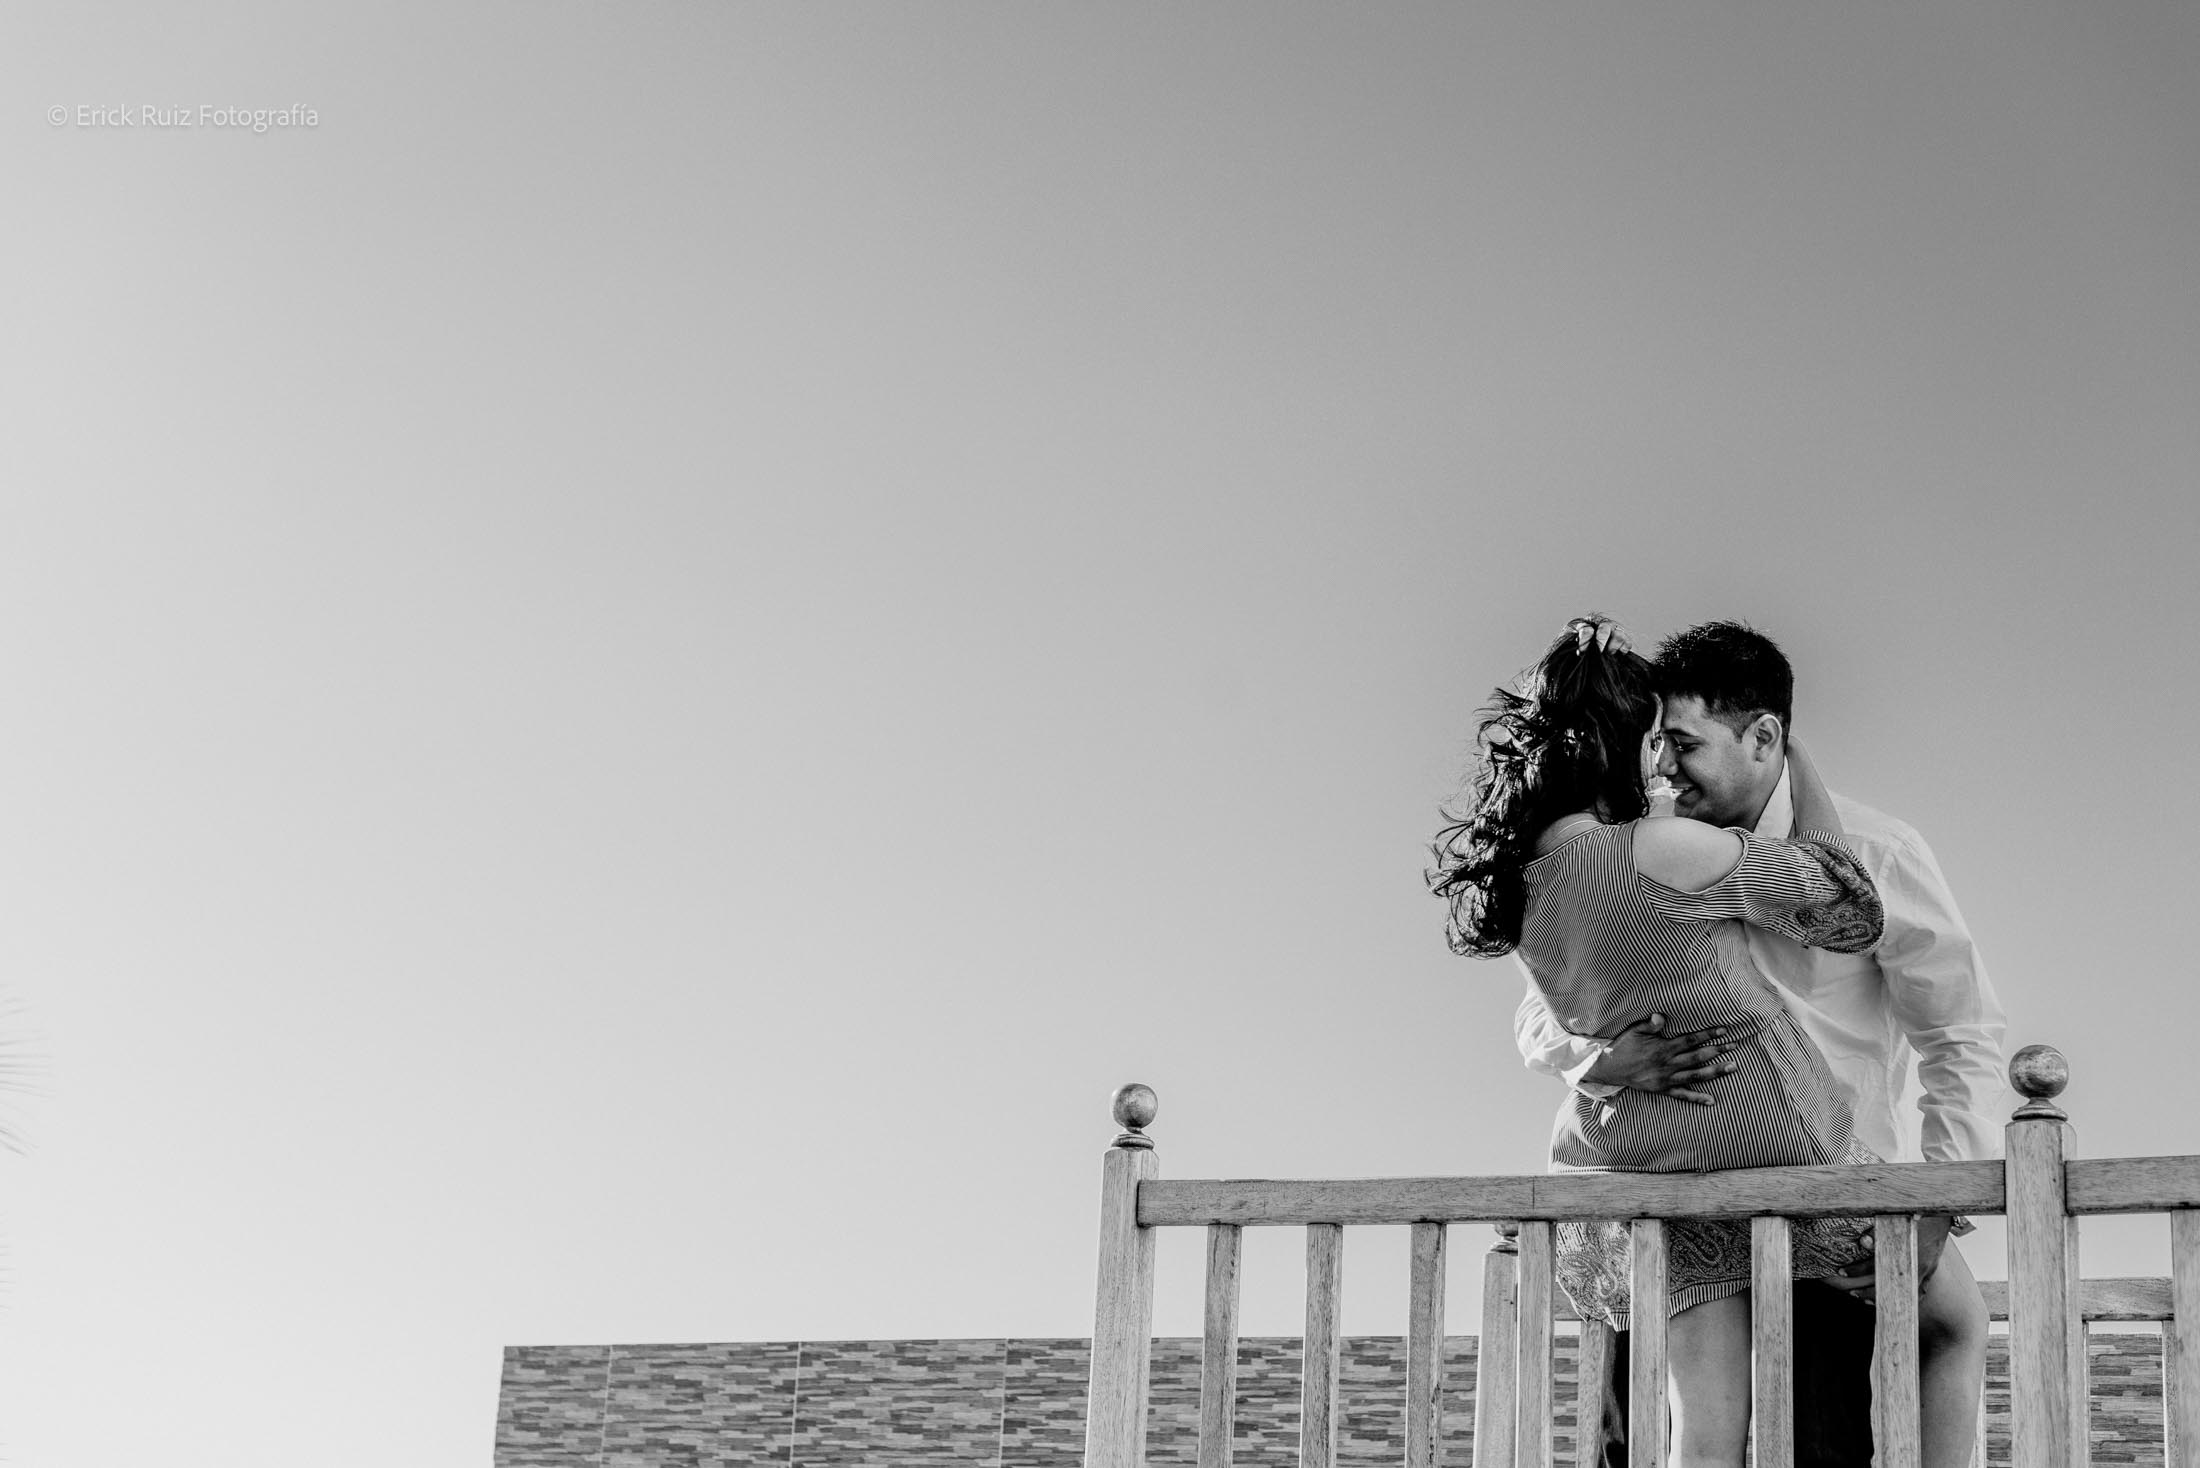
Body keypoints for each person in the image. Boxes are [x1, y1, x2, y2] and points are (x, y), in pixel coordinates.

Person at [1430, 616, 1928, 1468]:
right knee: (1949, 1313)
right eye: (1653, 739)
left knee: (1700, 1432)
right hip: (1773, 1148)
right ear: (1616, 744)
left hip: (1628, 1172)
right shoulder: (1659, 849)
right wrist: (1795, 760)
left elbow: (1552, 1017)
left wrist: (1600, 1062)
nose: (1661, 764)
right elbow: (1843, 903)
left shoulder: (1518, 890)